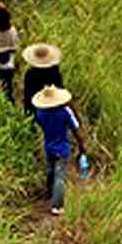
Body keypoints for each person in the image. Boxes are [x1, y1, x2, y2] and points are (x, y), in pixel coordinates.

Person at [30, 85, 89, 216]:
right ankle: (57, 205)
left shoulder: (41, 113)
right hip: (62, 148)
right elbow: (76, 129)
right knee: (60, 176)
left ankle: (49, 195)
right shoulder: (65, 112)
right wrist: (82, 145)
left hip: (48, 147)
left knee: (50, 171)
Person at [19, 43, 63, 116]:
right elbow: (60, 89)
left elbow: (28, 95)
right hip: (53, 107)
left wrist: (27, 113)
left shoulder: (30, 74)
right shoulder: (55, 72)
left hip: (37, 107)